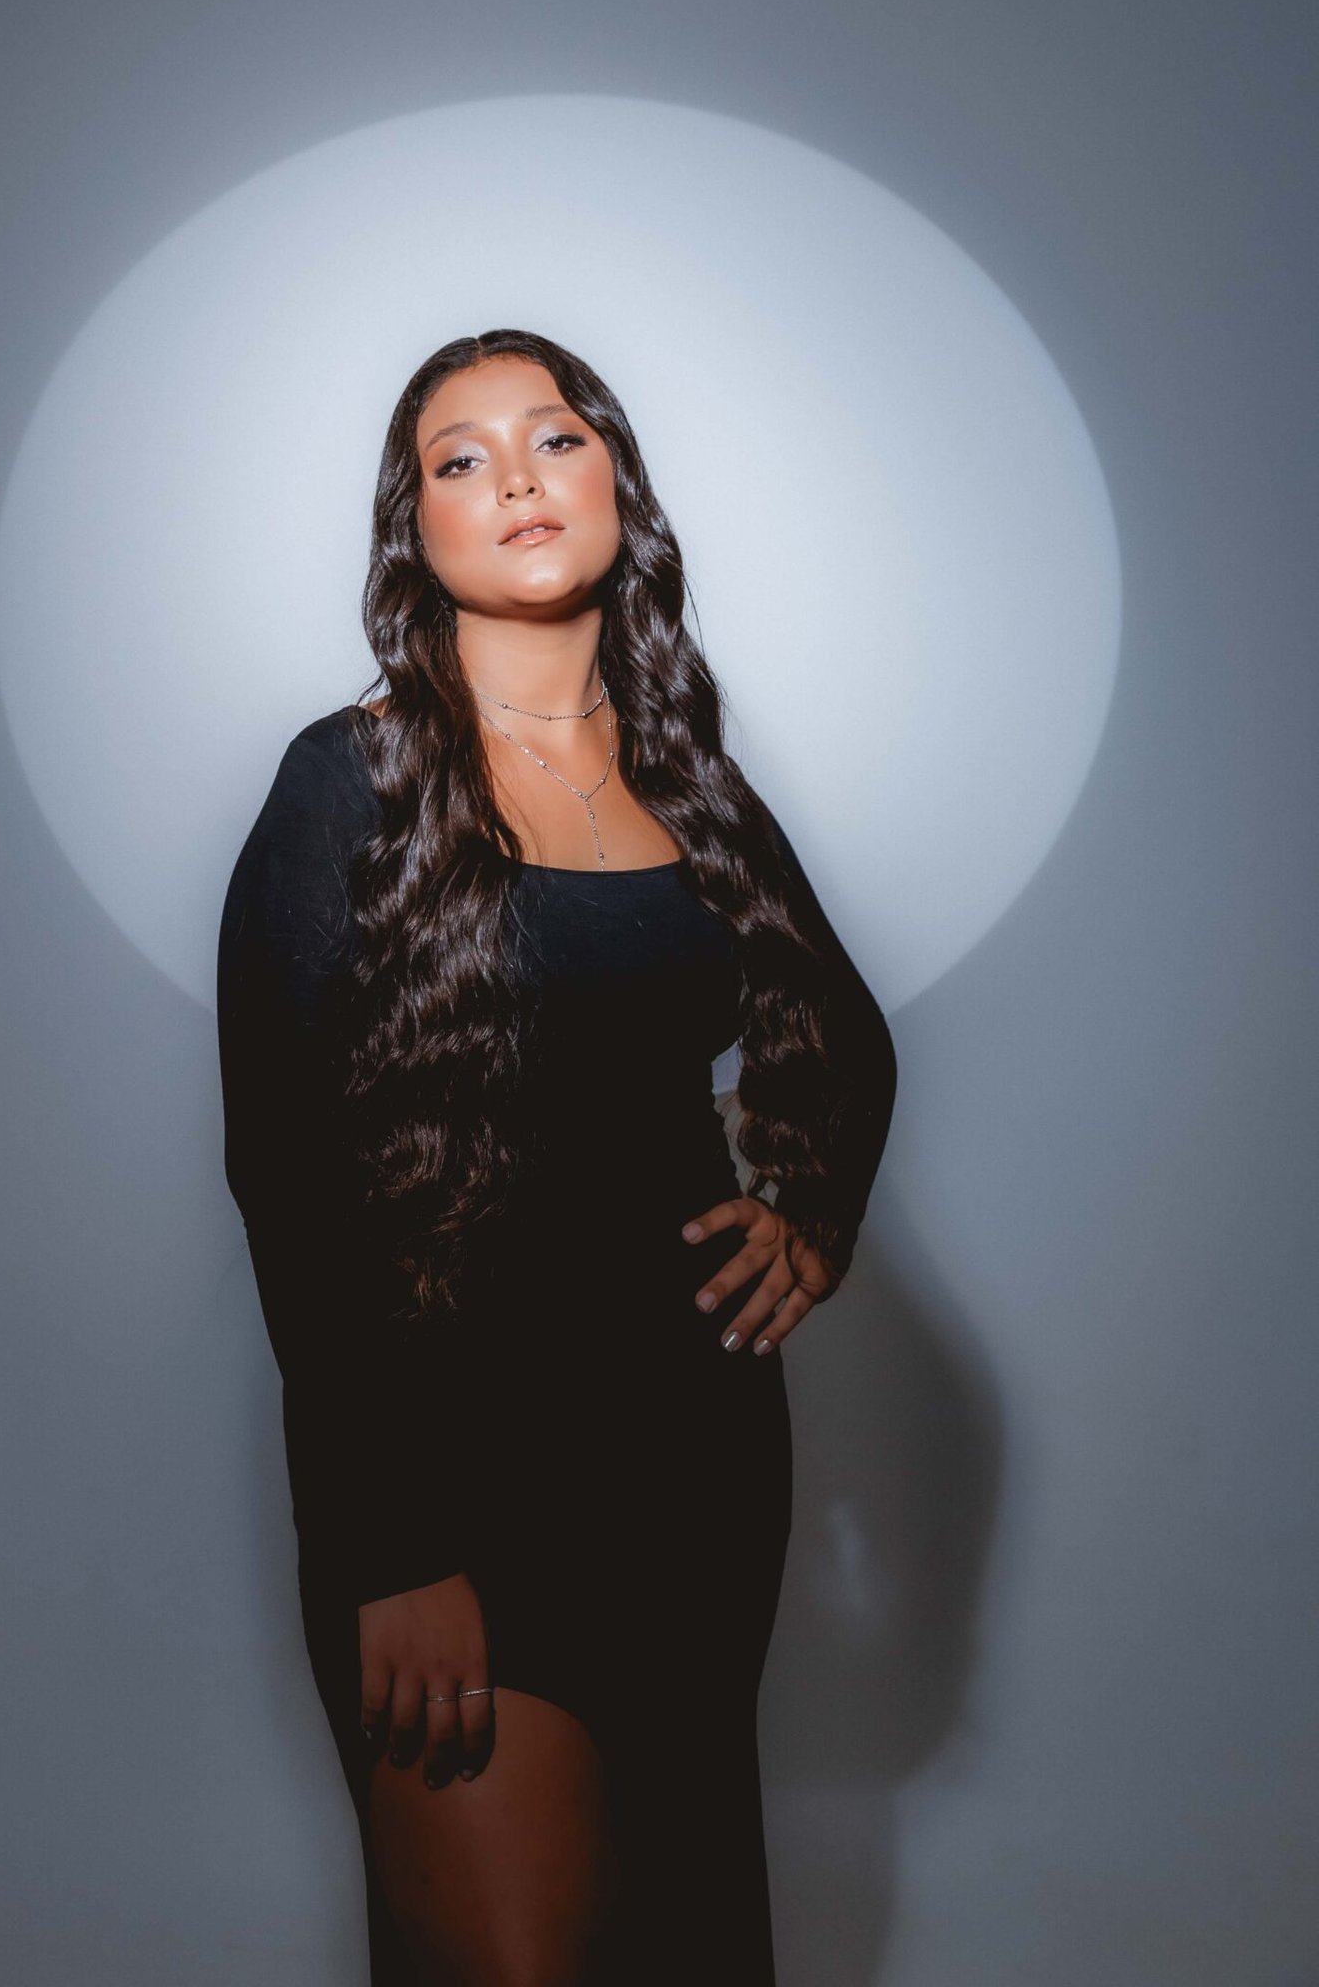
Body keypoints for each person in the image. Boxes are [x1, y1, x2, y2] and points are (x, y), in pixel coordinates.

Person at [215, 327, 898, 1985]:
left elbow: (848, 1039)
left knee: (677, 1945)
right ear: (419, 531)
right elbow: (288, 1184)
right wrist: (393, 1547)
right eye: (462, 459)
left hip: (692, 1464)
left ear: (618, 486)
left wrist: (810, 1214)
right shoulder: (351, 780)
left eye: (556, 437)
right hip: (451, 1472)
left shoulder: (693, 787)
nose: (517, 477)